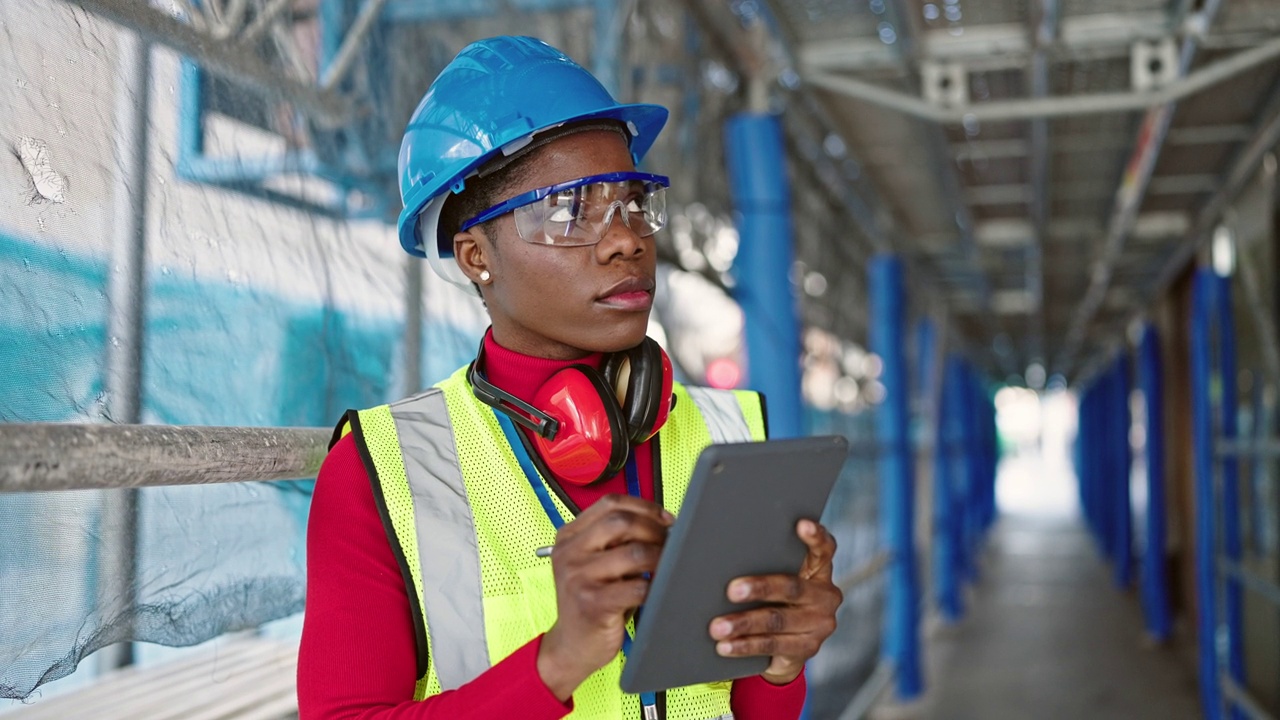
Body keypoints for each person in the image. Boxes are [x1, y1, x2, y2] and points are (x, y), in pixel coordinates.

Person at [297, 36, 843, 720]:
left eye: (632, 201)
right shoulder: (385, 472)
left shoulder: (726, 433)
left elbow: (753, 708)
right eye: (568, 209)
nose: (626, 240)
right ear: (475, 256)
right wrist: (555, 661)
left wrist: (781, 659)